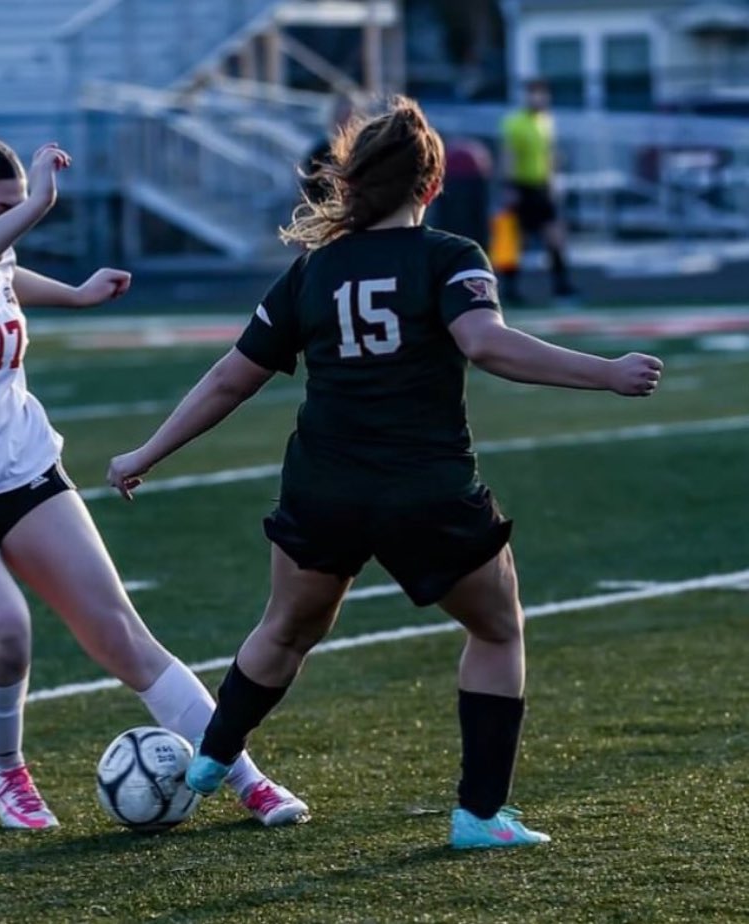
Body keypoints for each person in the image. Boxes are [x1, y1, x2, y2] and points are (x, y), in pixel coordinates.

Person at [107, 97, 663, 849]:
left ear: (352, 185)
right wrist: (606, 373)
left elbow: (230, 380)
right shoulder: (448, 256)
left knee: (286, 628)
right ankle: (478, 815)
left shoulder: (313, 271)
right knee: (498, 630)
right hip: (423, 487)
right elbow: (488, 345)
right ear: (430, 188)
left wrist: (145, 454)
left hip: (322, 485)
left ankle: (212, 757)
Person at [0, 135, 308, 830]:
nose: (12, 222)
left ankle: (242, 775)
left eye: (18, 208)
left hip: (23, 471)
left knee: (122, 634)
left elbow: (3, 273)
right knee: (6, 633)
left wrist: (73, 295)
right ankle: (3, 768)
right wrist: (40, 202)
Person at [499, 78, 578, 305]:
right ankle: (510, 289)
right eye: (534, 93)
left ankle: (562, 288)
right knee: (517, 240)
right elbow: (508, 155)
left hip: (542, 187)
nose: (538, 98)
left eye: (542, 93)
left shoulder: (546, 121)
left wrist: (554, 181)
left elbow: (549, 154)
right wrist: (510, 186)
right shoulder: (514, 123)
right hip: (522, 187)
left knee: (555, 236)